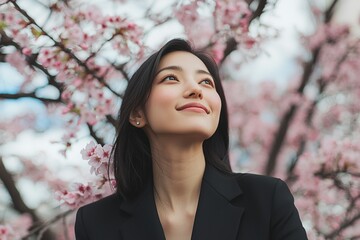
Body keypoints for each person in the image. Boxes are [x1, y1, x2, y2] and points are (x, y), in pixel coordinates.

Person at [74, 39, 308, 240]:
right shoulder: (95, 223)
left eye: (206, 82)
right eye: (171, 78)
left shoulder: (267, 199)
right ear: (137, 113)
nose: (196, 90)